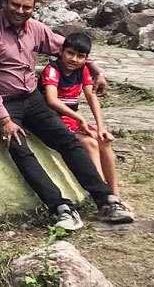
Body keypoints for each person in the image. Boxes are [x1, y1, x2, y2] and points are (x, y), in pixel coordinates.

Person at [0, 0, 134, 231]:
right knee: (20, 149)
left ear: (33, 8)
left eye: (26, 7)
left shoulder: (35, 28)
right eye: (15, 5)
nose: (20, 11)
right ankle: (60, 207)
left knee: (67, 140)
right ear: (5, 2)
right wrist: (4, 120)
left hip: (30, 97)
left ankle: (106, 199)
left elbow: (68, 48)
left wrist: (96, 71)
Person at [41, 32, 122, 196]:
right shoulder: (52, 70)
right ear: (61, 52)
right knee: (91, 144)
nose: (74, 59)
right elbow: (52, 100)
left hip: (72, 120)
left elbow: (92, 98)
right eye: (70, 53)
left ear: (86, 58)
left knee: (103, 141)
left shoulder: (83, 70)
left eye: (80, 56)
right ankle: (104, 195)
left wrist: (101, 128)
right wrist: (80, 118)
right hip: (55, 120)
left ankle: (116, 194)